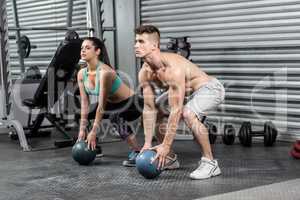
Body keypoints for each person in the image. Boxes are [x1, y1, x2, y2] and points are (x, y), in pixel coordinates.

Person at [135, 25, 225, 179]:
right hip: (187, 93)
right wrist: (147, 143)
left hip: (210, 88)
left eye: (141, 41)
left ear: (154, 46)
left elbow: (176, 109)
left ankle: (210, 163)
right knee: (156, 110)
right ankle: (169, 158)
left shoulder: (173, 68)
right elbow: (149, 108)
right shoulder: (144, 73)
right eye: (136, 41)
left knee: (187, 113)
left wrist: (166, 144)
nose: (136, 45)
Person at [77, 37, 143, 166]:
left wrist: (94, 130)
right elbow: (85, 103)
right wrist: (82, 130)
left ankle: (137, 151)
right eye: (82, 48)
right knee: (83, 113)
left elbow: (101, 106)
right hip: (113, 104)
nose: (83, 50)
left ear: (97, 51)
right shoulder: (81, 74)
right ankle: (93, 145)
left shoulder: (105, 73)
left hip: (132, 103)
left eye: (88, 48)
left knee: (115, 117)